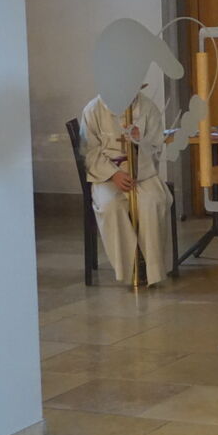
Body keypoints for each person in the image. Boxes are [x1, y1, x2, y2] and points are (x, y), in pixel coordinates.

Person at [80, 87, 174, 286]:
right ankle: (130, 267)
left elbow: (157, 145)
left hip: (142, 171)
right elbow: (89, 152)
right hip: (107, 175)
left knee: (153, 202)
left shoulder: (147, 107)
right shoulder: (93, 109)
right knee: (110, 206)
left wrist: (141, 142)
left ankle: (152, 267)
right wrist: (113, 174)